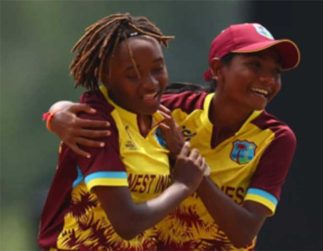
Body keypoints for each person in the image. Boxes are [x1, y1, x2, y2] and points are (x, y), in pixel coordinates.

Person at [46, 22, 301, 250]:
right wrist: (57, 114)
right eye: (254, 65)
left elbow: (243, 233)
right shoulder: (171, 111)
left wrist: (192, 171)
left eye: (276, 71)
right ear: (217, 69)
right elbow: (113, 103)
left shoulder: (276, 138)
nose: (267, 79)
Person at [38, 13, 208, 251]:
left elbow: (220, 102)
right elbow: (127, 223)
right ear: (106, 76)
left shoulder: (162, 117)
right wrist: (183, 184)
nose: (150, 83)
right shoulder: (97, 123)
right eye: (133, 75)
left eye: (157, 69)